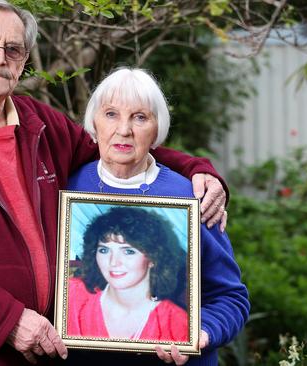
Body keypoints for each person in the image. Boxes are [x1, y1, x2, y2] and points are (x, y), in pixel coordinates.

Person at [0, 1, 230, 365]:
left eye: (13, 48)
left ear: (23, 61)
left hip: (37, 351)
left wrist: (197, 169)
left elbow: (115, 148)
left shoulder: (38, 122)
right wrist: (7, 320)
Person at [67, 67, 250, 366]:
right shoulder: (66, 186)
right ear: (94, 123)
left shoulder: (192, 196)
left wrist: (202, 331)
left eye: (140, 117)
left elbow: (230, 297)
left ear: (156, 130)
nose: (124, 130)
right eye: (111, 114)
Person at [67, 207, 188, 342]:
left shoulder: (177, 325)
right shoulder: (70, 293)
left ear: (153, 258)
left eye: (128, 251)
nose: (113, 262)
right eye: (104, 250)